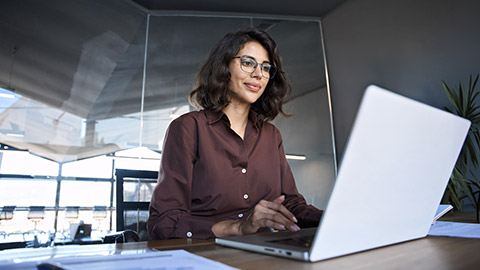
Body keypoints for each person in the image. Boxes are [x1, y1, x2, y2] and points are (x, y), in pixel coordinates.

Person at [147, 28, 323, 240]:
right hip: (206, 251)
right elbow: (163, 222)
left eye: (266, 68)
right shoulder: (188, 128)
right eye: (248, 63)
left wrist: (335, 217)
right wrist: (237, 228)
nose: (258, 74)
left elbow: (291, 204)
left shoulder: (271, 135)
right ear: (224, 67)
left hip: (265, 250)